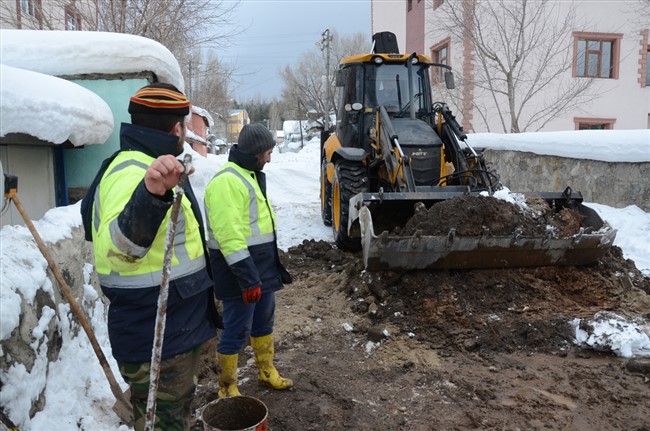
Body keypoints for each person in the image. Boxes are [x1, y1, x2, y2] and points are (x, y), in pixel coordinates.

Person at [83, 83, 218, 430]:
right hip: (157, 332)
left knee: (169, 416)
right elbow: (117, 250)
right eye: (184, 127)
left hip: (169, 324)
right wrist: (150, 194)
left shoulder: (143, 164)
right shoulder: (135, 173)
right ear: (177, 128)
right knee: (165, 422)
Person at [204, 123, 293, 398]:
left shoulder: (250, 174)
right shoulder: (227, 182)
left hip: (261, 270)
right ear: (254, 152)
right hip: (240, 273)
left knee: (264, 321)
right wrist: (248, 277)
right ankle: (227, 386)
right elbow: (229, 236)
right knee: (237, 329)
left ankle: (266, 371)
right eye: (267, 152)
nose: (269, 158)